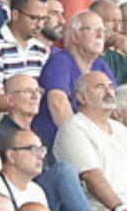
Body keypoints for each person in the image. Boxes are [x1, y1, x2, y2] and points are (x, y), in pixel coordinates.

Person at [33, 10, 114, 146]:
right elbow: (58, 104)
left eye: (103, 31)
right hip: (61, 144)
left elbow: (113, 103)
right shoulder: (60, 62)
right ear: (75, 36)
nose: (100, 35)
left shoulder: (100, 65)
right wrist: (81, 141)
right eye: (93, 30)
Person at [52, 70, 127, 211]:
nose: (109, 91)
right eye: (100, 87)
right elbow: (91, 176)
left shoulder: (121, 129)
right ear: (81, 98)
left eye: (110, 86)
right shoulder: (74, 128)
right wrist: (119, 208)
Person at [0, 127, 48, 208]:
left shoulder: (37, 191)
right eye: (33, 149)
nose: (41, 156)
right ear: (11, 156)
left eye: (42, 150)